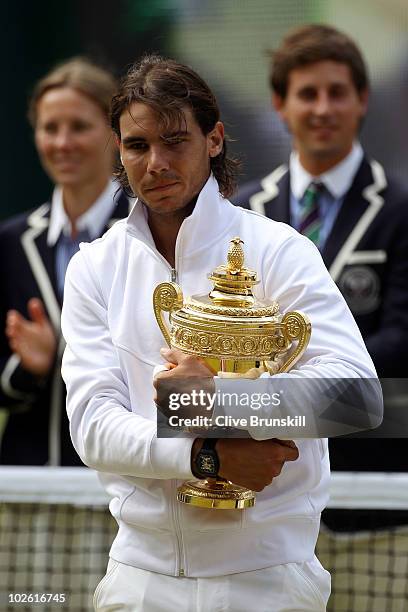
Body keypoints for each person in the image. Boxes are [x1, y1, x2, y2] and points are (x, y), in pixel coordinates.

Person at [61, 55, 379, 611]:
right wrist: (206, 457)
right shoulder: (93, 267)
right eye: (137, 145)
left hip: (269, 576)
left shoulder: (280, 250)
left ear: (215, 139)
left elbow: (358, 397)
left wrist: (219, 403)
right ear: (119, 149)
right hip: (138, 576)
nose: (156, 162)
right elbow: (92, 428)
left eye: (175, 140)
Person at [234, 24, 408, 480]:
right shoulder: (240, 213)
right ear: (280, 105)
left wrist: (293, 385)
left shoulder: (400, 210)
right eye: (308, 94)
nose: (323, 109)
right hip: (267, 484)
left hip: (369, 482)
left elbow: (402, 339)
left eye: (337, 93)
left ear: (362, 100)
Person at [0, 58, 131, 466]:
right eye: (49, 128)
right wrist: (27, 368)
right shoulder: (12, 242)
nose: (62, 143)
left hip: (126, 482)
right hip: (33, 480)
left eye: (79, 126)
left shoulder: (146, 234)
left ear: (114, 135)